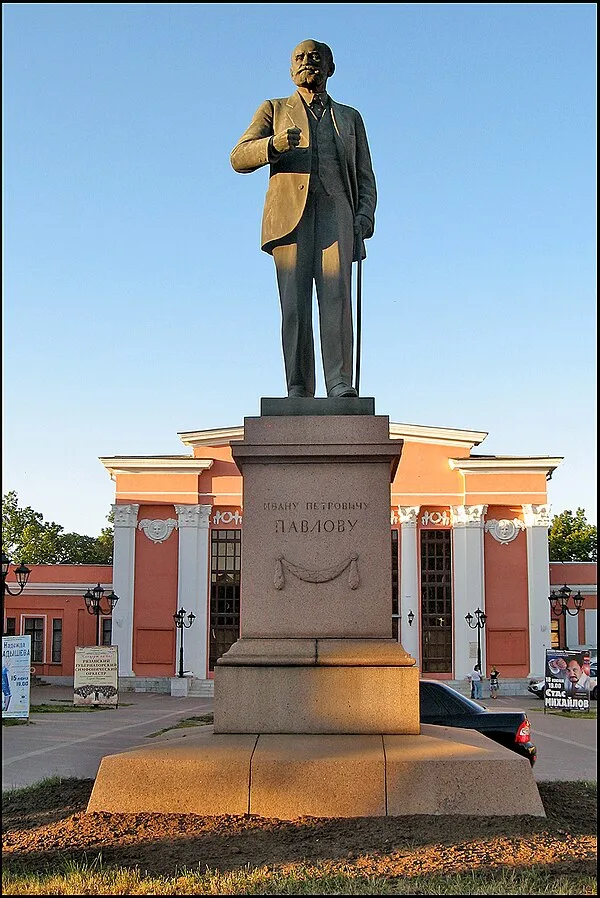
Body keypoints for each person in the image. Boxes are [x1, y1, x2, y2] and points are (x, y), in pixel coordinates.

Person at [231, 39, 377, 399]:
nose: (307, 62)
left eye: (315, 57)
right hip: (288, 221)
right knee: (295, 305)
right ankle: (298, 386)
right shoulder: (274, 109)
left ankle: (339, 382)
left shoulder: (350, 117)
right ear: (290, 68)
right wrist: (274, 145)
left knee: (336, 301)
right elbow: (238, 157)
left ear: (331, 67)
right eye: (299, 57)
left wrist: (365, 215)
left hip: (336, 214)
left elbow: (365, 176)